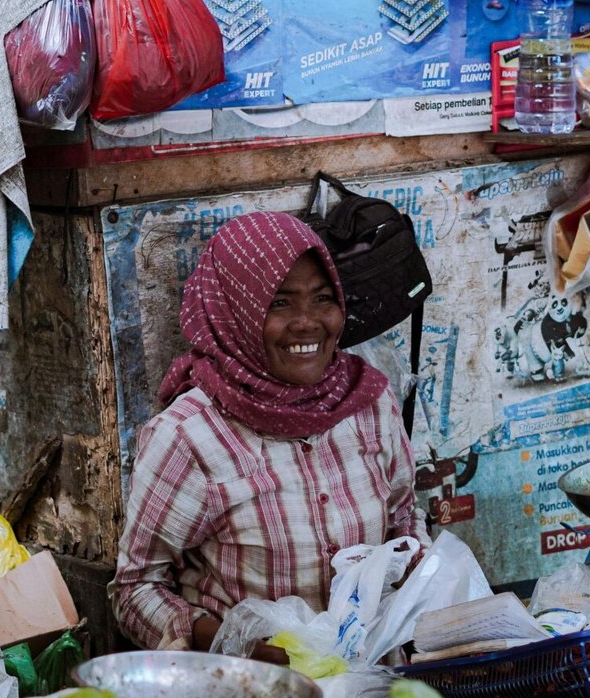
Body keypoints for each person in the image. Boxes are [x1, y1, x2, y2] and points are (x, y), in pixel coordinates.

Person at [111, 211, 425, 653]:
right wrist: (240, 647)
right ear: (234, 313)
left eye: (322, 298)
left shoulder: (368, 402)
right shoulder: (188, 437)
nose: (307, 322)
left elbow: (404, 518)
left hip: (372, 688)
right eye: (279, 303)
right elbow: (134, 591)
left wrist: (418, 575)